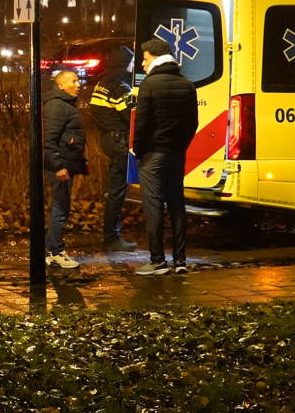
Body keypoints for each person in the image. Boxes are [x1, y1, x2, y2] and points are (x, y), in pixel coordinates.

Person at [131, 37, 198, 275]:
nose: (142, 64)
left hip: (153, 154)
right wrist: (180, 146)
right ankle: (180, 260)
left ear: (156, 58)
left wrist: (138, 150)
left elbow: (142, 124)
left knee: (153, 206)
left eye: (145, 58)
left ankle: (157, 260)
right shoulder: (187, 84)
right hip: (176, 154)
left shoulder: (150, 85)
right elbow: (192, 123)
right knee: (177, 205)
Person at [89, 46, 137, 250]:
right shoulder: (120, 86)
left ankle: (111, 235)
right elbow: (129, 117)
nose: (134, 65)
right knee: (117, 191)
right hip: (119, 142)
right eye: (132, 62)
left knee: (114, 189)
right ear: (124, 63)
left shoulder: (103, 82)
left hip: (107, 139)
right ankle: (112, 237)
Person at [41, 68, 87, 271]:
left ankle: (53, 250)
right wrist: (58, 166)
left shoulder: (65, 104)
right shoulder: (57, 106)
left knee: (62, 206)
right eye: (74, 81)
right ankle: (55, 251)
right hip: (61, 165)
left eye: (78, 81)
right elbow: (49, 139)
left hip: (67, 162)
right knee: (60, 207)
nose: (79, 85)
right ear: (60, 85)